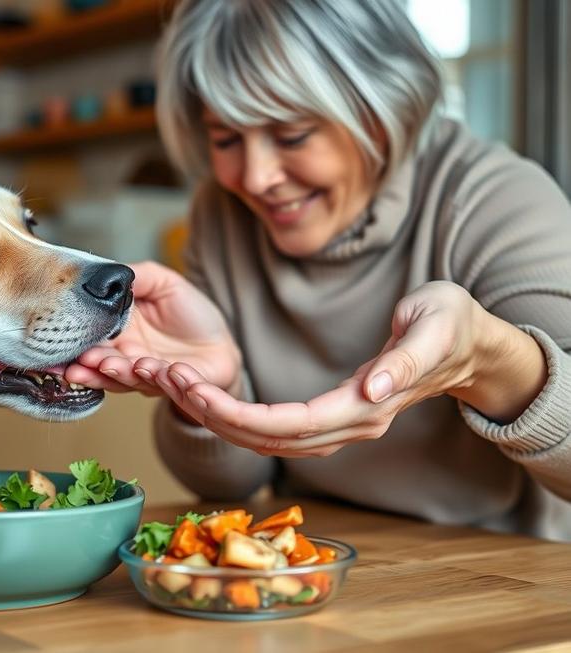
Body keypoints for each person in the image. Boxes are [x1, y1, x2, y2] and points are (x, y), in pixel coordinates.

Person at [65, 0, 571, 540]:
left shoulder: (496, 199)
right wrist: (210, 391)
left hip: (503, 569)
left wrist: (487, 361)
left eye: (292, 136)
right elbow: (227, 489)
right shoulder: (221, 215)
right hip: (322, 547)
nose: (257, 178)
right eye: (226, 138)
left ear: (381, 109)